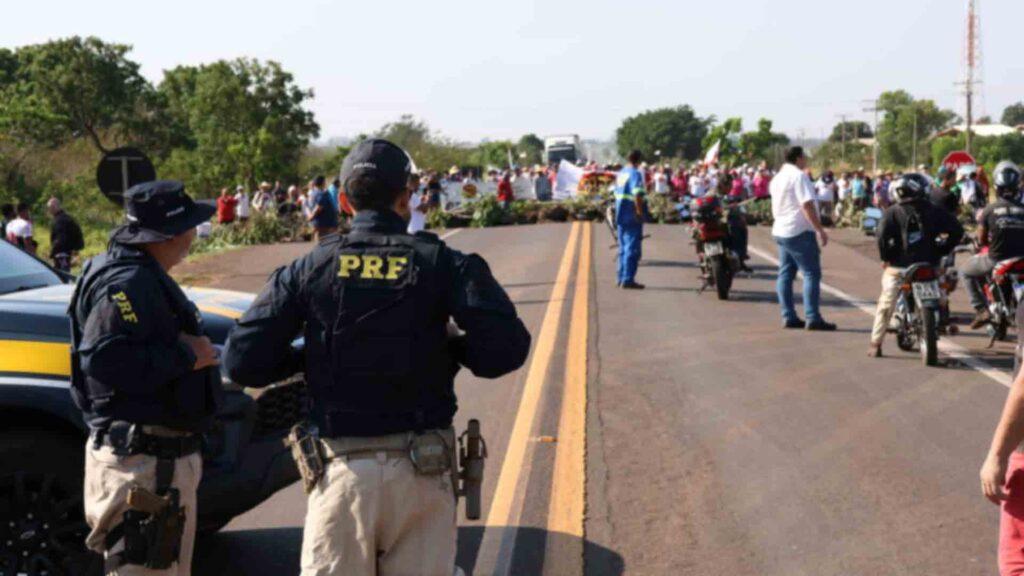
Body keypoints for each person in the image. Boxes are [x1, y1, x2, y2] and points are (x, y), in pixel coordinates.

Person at [222, 138, 530, 576]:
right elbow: (506, 349)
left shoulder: (308, 269)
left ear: (343, 201)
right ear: (406, 198)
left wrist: (311, 355)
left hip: (341, 475)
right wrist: (449, 349)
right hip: (423, 473)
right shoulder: (445, 263)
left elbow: (242, 362)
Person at [69, 180, 221, 575]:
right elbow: (103, 358)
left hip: (150, 463)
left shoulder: (135, 271)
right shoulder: (128, 282)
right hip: (145, 468)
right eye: (188, 225)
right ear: (166, 235)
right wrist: (188, 356)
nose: (193, 234)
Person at [868, 173, 964, 357]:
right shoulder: (934, 210)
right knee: (942, 293)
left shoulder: (892, 212)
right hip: (929, 264)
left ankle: (875, 342)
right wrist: (940, 249)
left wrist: (886, 258)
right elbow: (957, 231)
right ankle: (943, 319)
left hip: (899, 267)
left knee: (886, 302)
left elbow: (880, 237)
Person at [769, 146, 835, 331]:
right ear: (798, 158)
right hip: (798, 230)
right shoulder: (798, 176)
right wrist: (819, 229)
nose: (805, 159)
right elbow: (807, 205)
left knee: (786, 273)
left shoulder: (778, 177)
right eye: (804, 157)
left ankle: (788, 315)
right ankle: (813, 317)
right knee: (811, 273)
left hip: (782, 229)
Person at [960, 161, 1024, 329]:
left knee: (965, 271)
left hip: (996, 259)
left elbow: (981, 240)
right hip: (1021, 260)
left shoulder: (990, 209)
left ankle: (981, 310)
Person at [614, 150, 647, 289]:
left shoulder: (622, 173)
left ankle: (620, 277)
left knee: (622, 248)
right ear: (638, 160)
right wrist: (639, 211)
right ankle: (628, 280)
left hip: (620, 213)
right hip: (631, 214)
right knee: (632, 249)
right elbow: (637, 194)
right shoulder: (635, 173)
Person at [47, 197, 85, 271]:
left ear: (54, 207)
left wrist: (52, 253)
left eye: (49, 208)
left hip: (61, 254)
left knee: (62, 275)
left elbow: (60, 239)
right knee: (65, 274)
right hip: (67, 252)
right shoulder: (68, 217)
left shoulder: (59, 221)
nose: (49, 211)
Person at [307, 175, 339, 241]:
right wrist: (311, 217)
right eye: (325, 181)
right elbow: (319, 208)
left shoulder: (313, 193)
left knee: (321, 243)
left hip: (321, 223)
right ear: (322, 183)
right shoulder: (321, 194)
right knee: (326, 243)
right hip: (325, 224)